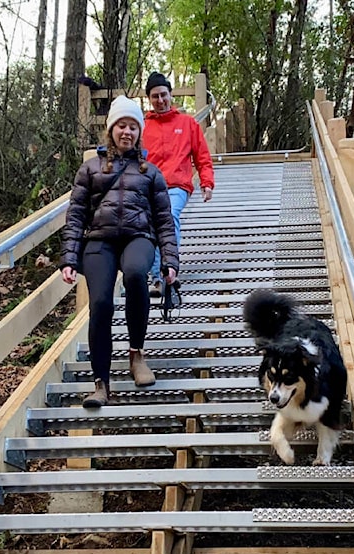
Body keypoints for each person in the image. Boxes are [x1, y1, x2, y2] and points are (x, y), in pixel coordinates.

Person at [59, 95, 180, 408]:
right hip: (99, 240)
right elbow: (75, 216)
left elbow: (165, 220)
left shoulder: (151, 173)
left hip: (138, 236)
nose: (127, 132)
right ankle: (101, 384)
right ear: (111, 129)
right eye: (121, 126)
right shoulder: (89, 169)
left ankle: (136, 354)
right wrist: (69, 258)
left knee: (137, 274)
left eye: (133, 127)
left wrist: (169, 261)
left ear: (139, 132)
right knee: (100, 303)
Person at [141, 71, 215, 297]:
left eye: (164, 95)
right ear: (149, 99)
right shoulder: (142, 126)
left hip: (177, 185)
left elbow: (202, 155)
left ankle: (165, 272)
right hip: (148, 186)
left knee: (169, 214)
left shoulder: (187, 123)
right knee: (149, 223)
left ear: (171, 95)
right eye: (155, 96)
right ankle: (156, 276)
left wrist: (207, 182)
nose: (160, 100)